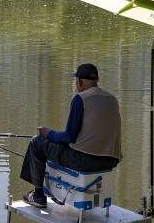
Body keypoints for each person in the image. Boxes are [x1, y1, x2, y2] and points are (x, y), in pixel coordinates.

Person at [20, 63, 122, 208]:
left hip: (84, 160)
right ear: (97, 80)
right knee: (56, 143)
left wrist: (48, 133)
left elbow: (69, 137)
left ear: (80, 81)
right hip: (110, 161)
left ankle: (37, 195)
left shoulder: (80, 99)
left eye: (76, 81)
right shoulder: (112, 99)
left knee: (37, 142)